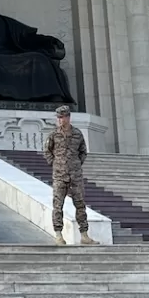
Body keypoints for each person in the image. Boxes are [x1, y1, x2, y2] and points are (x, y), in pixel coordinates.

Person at [43, 104, 98, 246]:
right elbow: (47, 151)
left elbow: (83, 152)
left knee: (80, 205)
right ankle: (58, 235)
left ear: (68, 117)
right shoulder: (53, 134)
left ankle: (84, 235)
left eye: (63, 117)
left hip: (75, 176)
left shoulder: (77, 134)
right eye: (59, 118)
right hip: (60, 176)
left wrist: (76, 165)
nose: (60, 120)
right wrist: (55, 164)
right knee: (57, 205)